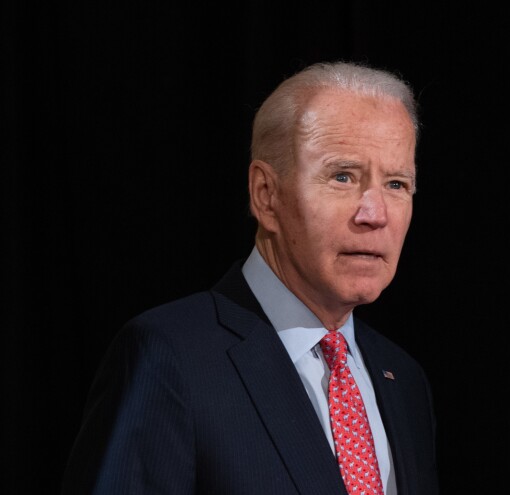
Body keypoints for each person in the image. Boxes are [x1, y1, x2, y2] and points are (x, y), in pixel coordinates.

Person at [61, 61, 439, 495]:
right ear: (266, 194)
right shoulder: (170, 359)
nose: (375, 215)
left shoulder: (403, 379)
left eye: (396, 184)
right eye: (342, 176)